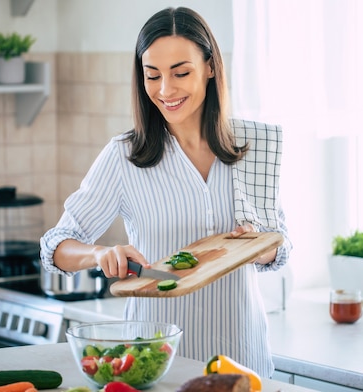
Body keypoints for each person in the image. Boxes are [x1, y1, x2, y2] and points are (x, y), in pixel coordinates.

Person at [40, 6, 292, 378]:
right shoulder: (125, 156)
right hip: (157, 364)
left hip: (244, 360)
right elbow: (55, 245)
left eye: (181, 73)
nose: (165, 90)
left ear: (209, 67)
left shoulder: (254, 145)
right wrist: (100, 254)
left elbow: (280, 248)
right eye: (152, 75)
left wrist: (261, 246)